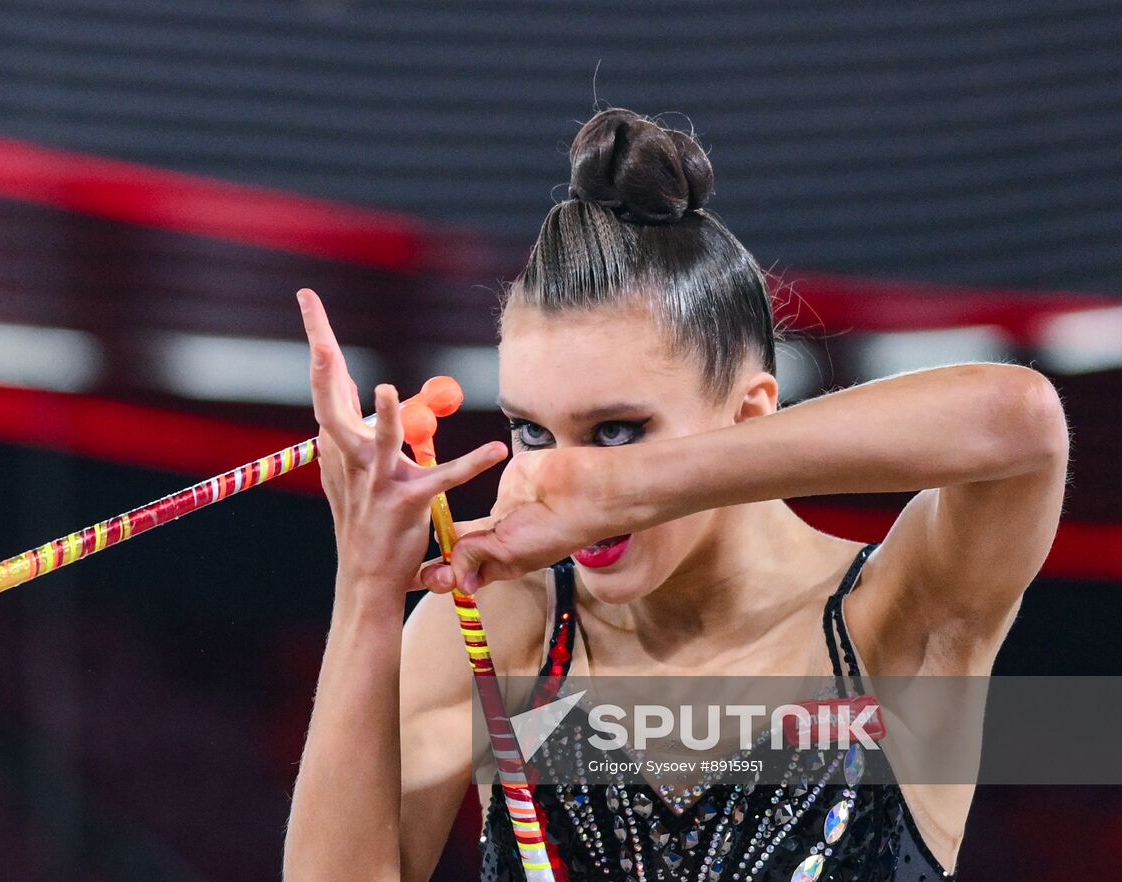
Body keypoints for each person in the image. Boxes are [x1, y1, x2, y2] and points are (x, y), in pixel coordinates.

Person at [282, 108, 1069, 881]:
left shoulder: (896, 615)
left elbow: (1020, 423)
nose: (562, 475)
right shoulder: (505, 623)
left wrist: (625, 491)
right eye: (533, 432)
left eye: (617, 429)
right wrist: (367, 586)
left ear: (749, 413)